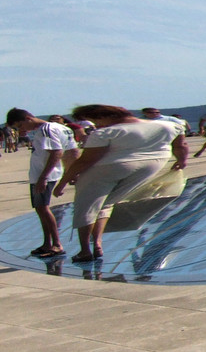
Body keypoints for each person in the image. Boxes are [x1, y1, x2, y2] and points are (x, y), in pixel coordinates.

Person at [54, 104, 187, 263]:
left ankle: (85, 250)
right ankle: (97, 244)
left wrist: (63, 182)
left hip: (106, 168)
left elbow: (86, 160)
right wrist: (181, 160)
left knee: (87, 206)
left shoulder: (106, 132)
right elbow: (180, 146)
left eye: (94, 121)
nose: (96, 125)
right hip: (150, 166)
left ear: (102, 117)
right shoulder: (171, 125)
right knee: (106, 204)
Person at [6, 108, 81, 258]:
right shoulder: (62, 128)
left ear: (28, 118)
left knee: (43, 209)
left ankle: (56, 244)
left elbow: (57, 152)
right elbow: (72, 151)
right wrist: (71, 172)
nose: (22, 129)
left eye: (20, 126)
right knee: (41, 209)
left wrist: (43, 177)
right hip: (47, 173)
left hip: (43, 174)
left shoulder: (46, 129)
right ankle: (48, 243)